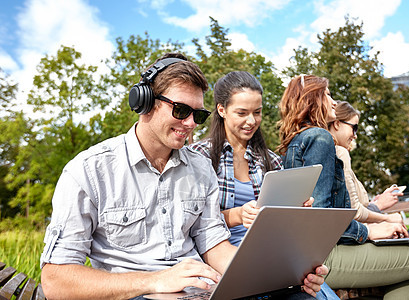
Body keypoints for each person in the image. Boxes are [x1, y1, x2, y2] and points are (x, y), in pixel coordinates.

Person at [39, 55, 327, 300]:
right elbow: (55, 280)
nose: (190, 124)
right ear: (145, 102)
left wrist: (283, 272)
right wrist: (155, 280)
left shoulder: (201, 169)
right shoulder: (89, 171)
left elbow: (215, 248)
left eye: (198, 115)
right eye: (180, 110)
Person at [278, 74, 409, 300]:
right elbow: (323, 219)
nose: (332, 102)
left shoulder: (296, 142)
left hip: (310, 256)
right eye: (328, 95)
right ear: (312, 99)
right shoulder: (320, 138)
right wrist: (370, 232)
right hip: (325, 258)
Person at [190, 71, 339, 299]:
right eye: (242, 113)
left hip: (271, 263)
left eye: (257, 113)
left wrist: (298, 213)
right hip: (222, 266)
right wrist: (238, 215)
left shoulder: (271, 161)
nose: (251, 121)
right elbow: (191, 224)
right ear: (221, 110)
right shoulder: (199, 157)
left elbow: (283, 228)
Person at [329, 100, 403, 223]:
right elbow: (353, 212)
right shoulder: (340, 153)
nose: (355, 135)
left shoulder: (334, 153)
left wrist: (375, 204)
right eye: (354, 128)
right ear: (337, 124)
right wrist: (387, 217)